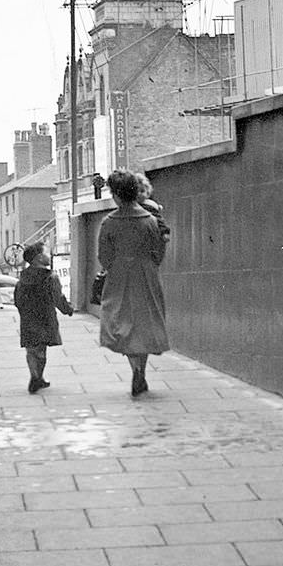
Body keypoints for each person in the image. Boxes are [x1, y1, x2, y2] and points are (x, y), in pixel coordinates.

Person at [98, 169, 169, 397]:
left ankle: (135, 369)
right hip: (146, 274)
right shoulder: (150, 220)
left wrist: (115, 266)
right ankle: (142, 370)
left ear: (117, 195)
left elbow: (104, 255)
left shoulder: (109, 222)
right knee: (144, 324)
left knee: (123, 324)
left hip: (120, 276)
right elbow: (158, 251)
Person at [13, 242, 73, 393]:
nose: (49, 256)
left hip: (28, 318)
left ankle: (36, 376)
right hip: (45, 317)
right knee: (42, 350)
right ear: (38, 258)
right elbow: (58, 298)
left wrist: (24, 312)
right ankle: (37, 377)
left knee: (31, 349)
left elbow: (18, 299)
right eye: (46, 253)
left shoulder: (23, 278)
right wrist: (68, 310)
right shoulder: (50, 277)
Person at [135, 173, 170, 246]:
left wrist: (164, 232)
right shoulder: (130, 206)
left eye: (142, 191)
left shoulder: (149, 206)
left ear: (147, 193)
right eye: (136, 191)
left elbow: (159, 220)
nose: (139, 194)